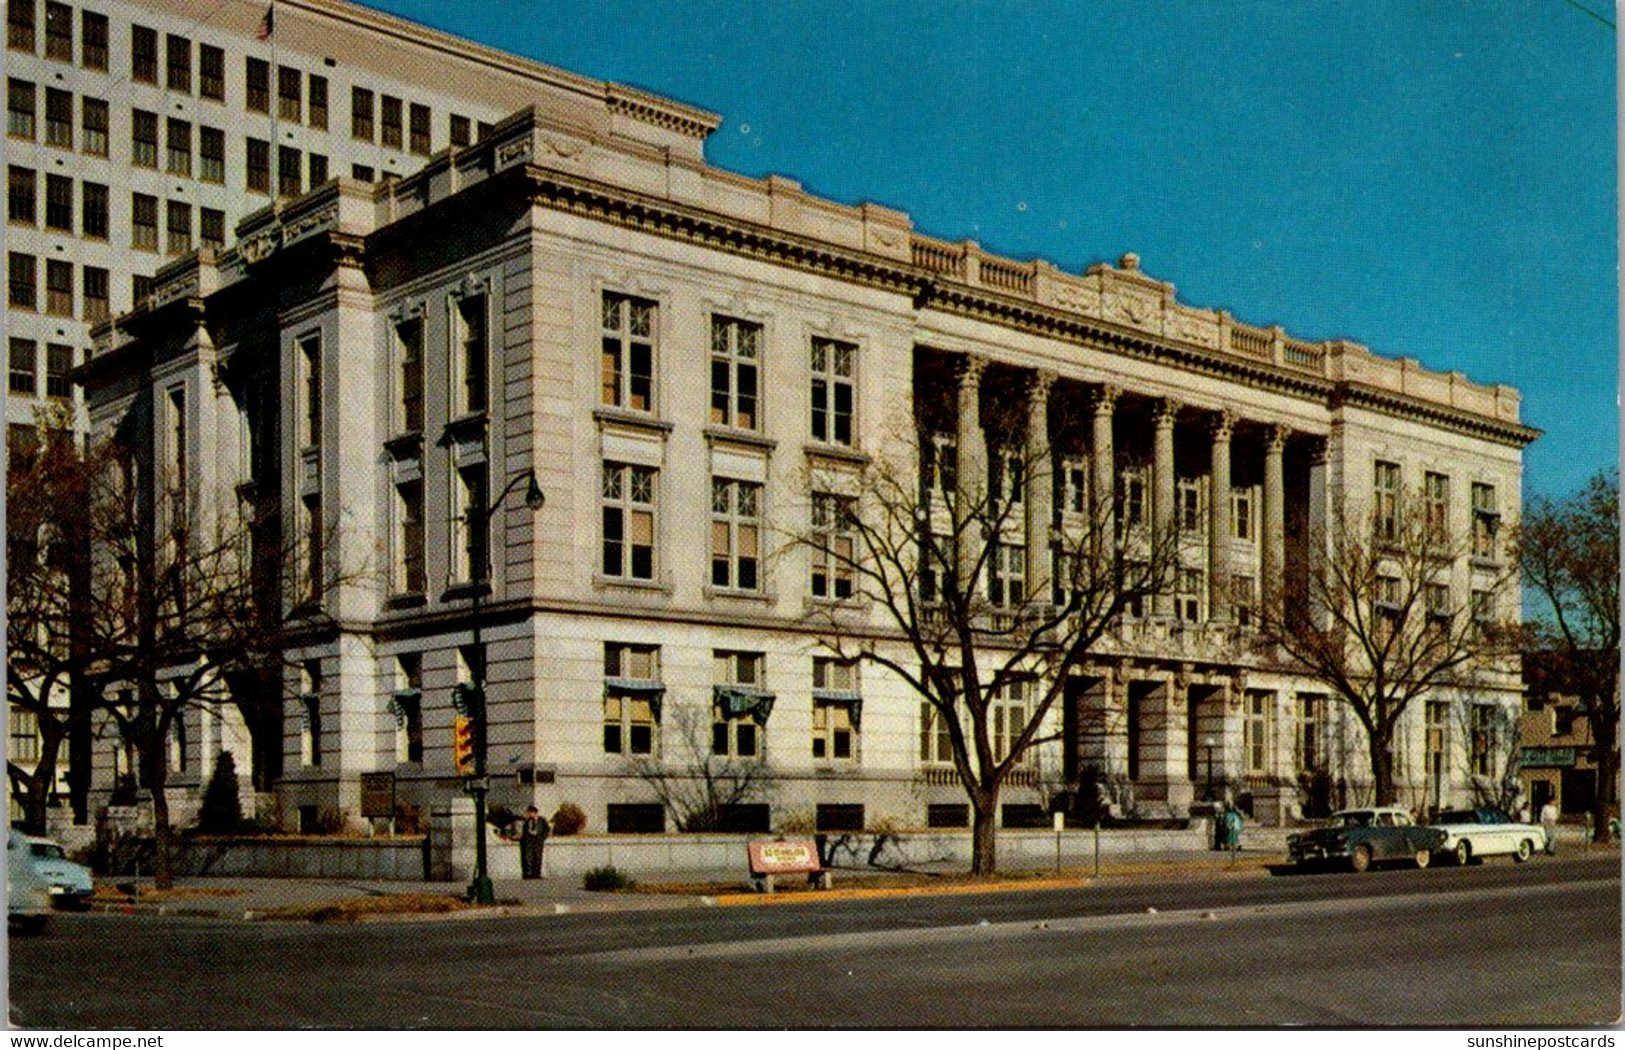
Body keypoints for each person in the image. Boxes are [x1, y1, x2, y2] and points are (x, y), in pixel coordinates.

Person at [518, 805, 549, 879]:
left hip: (538, 840)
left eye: (530, 813)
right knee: (529, 857)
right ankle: (528, 873)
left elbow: (546, 829)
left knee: (538, 857)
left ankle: (537, 873)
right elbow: (524, 830)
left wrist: (543, 837)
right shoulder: (527, 821)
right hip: (529, 841)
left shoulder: (542, 820)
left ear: (534, 813)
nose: (529, 814)